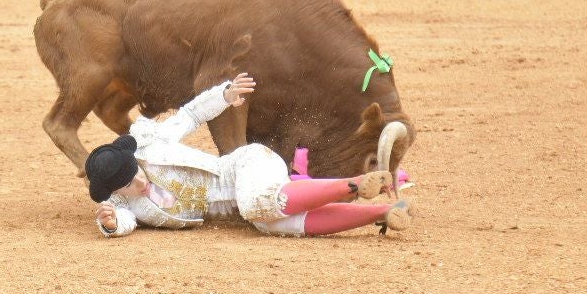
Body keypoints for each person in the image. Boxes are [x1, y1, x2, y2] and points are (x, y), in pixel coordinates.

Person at [86, 75, 411, 240]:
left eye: (136, 171)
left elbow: (190, 115)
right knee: (274, 224)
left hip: (245, 167)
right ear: (117, 192)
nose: (140, 181)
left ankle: (352, 185)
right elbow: (123, 222)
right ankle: (381, 212)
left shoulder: (150, 142)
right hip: (242, 208)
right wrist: (110, 225)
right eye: (130, 184)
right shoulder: (121, 205)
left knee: (258, 204)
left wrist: (223, 95)